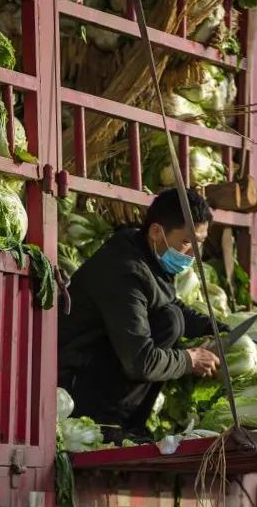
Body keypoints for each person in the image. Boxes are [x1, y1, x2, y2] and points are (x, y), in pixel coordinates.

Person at [58, 187, 221, 441]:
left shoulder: (146, 254)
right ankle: (110, 426)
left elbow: (171, 303)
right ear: (157, 232)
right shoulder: (124, 272)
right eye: (187, 242)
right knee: (170, 322)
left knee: (172, 318)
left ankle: (127, 424)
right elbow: (141, 361)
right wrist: (189, 360)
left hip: (102, 372)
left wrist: (216, 328)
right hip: (77, 386)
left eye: (198, 245)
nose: (193, 255)